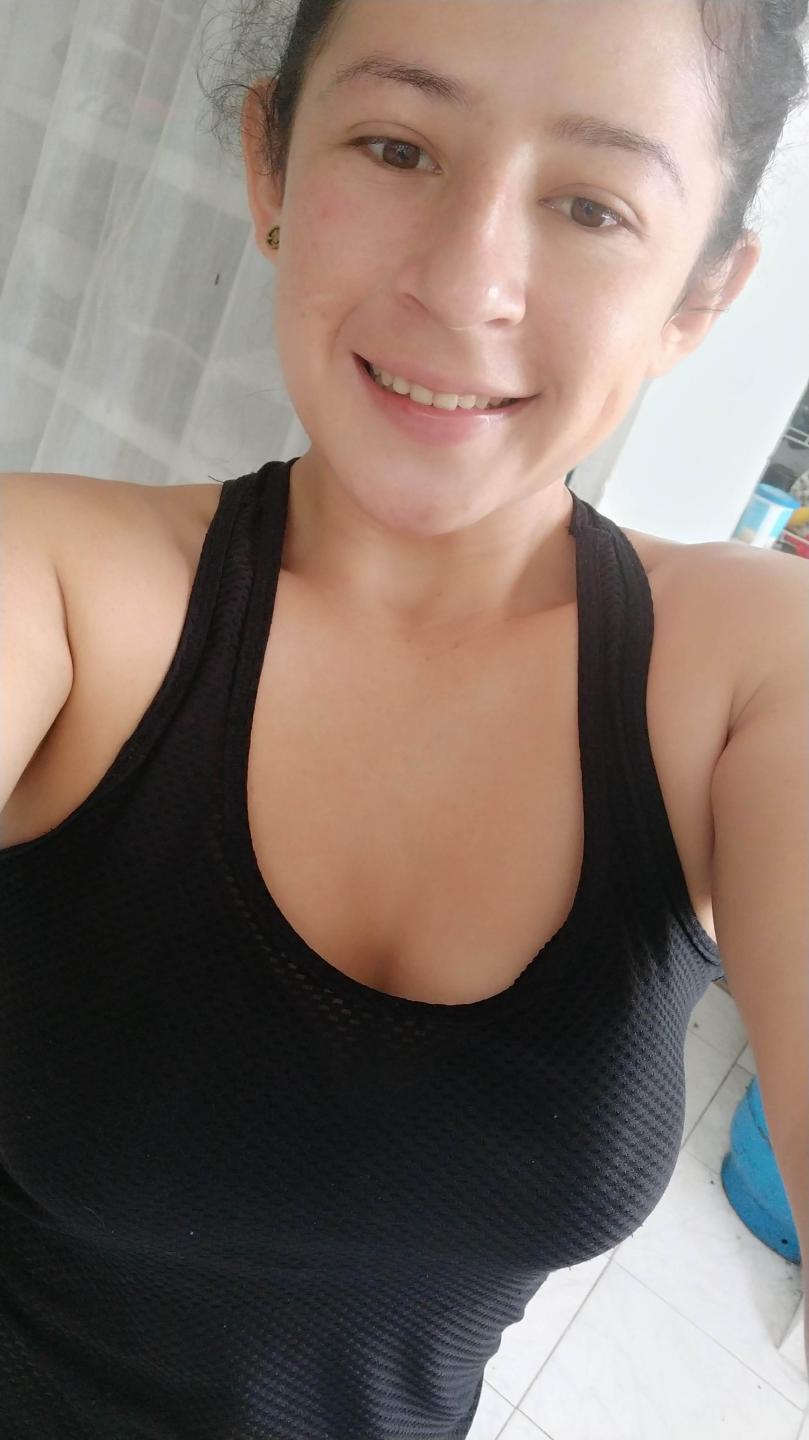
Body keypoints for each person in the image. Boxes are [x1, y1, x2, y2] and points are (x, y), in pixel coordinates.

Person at [2, 2, 808, 1437]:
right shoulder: (50, 585)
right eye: (396, 147)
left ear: (699, 296)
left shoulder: (753, 672)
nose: (463, 282)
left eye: (590, 205)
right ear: (270, 162)